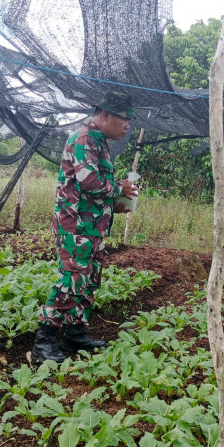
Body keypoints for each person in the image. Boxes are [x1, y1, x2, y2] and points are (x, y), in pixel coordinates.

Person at [32, 90, 139, 364]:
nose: (127, 126)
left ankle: (74, 330)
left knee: (89, 278)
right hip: (75, 226)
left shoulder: (99, 141)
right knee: (72, 278)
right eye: (124, 119)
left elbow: (94, 189)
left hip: (92, 226)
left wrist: (119, 198)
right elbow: (88, 181)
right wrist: (119, 188)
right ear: (105, 114)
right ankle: (44, 339)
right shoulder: (83, 139)